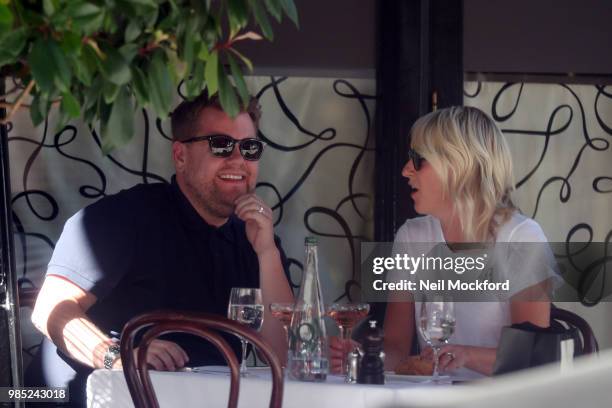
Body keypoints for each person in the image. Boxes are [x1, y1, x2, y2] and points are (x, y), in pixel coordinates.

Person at [27, 90, 293, 406]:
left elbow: (284, 355)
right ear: (180, 155)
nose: (238, 159)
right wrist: (119, 357)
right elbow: (49, 310)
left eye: (249, 148)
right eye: (220, 145)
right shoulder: (123, 218)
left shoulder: (255, 237)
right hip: (70, 399)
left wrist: (267, 253)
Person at [332, 106, 554, 377]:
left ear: (458, 165)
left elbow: (534, 356)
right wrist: (361, 356)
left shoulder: (523, 238)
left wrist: (467, 355)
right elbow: (396, 349)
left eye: (417, 159)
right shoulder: (412, 237)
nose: (405, 171)